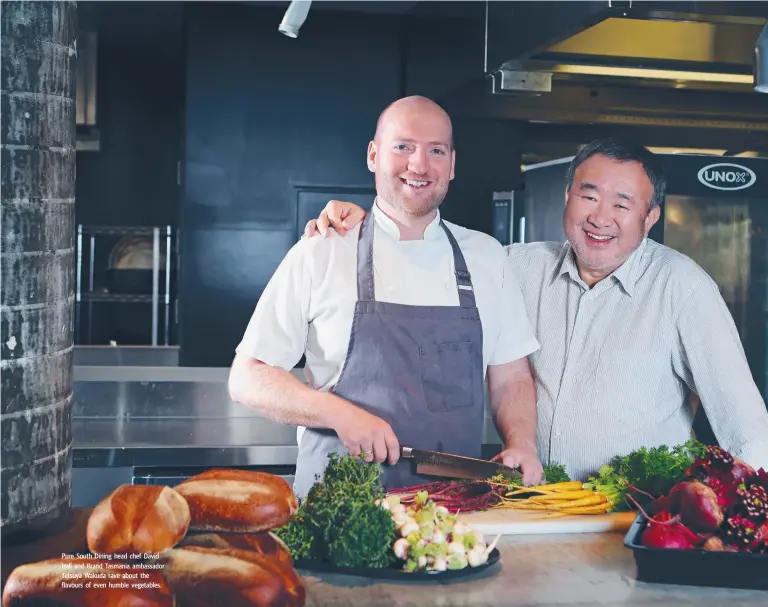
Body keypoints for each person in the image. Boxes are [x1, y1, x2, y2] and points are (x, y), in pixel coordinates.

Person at [303, 138, 768, 481]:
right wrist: (373, 226)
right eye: (588, 195)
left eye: (622, 205)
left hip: (638, 518)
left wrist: (740, 521)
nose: (600, 217)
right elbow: (427, 257)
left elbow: (749, 432)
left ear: (650, 218)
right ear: (566, 198)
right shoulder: (515, 265)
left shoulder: (683, 287)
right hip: (536, 508)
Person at [228, 95, 544, 499]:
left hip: (454, 521)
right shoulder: (322, 251)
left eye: (436, 150)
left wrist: (522, 443)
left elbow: (512, 377)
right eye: (403, 147)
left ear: (451, 164)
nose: (419, 165)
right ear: (373, 155)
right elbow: (248, 376)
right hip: (338, 512)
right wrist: (337, 413)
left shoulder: (486, 258)